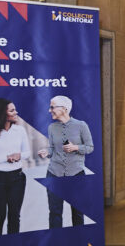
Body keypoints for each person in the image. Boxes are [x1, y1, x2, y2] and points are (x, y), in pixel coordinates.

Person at [37, 95, 94, 228]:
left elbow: (90, 147)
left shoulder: (81, 125)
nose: (49, 110)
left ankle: (78, 238)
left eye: (52, 107)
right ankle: (57, 239)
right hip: (54, 174)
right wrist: (46, 152)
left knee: (78, 212)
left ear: (64, 109)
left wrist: (76, 147)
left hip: (76, 174)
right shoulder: (52, 127)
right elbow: (52, 149)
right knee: (55, 212)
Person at [0, 98, 30, 234]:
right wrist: (6, 158)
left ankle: (13, 244)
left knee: (14, 217)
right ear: (2, 113)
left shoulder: (20, 130)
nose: (16, 112)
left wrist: (19, 155)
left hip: (17, 178)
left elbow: (27, 153)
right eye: (12, 110)